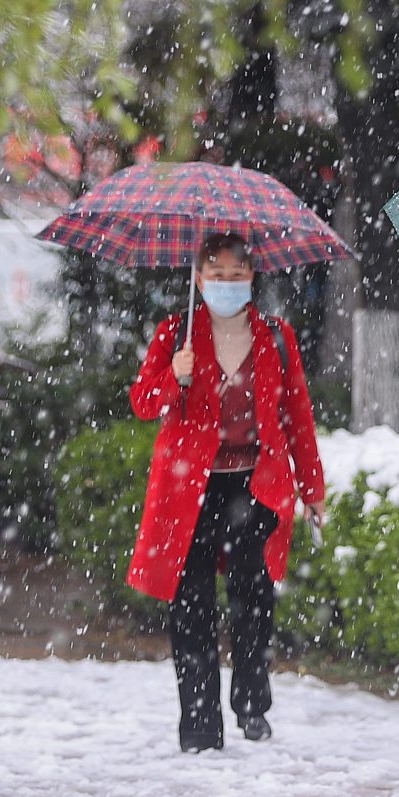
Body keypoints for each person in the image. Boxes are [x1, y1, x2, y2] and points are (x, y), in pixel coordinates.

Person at [128, 232, 327, 751]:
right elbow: (144, 402)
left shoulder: (276, 336)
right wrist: (174, 376)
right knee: (190, 606)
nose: (227, 284)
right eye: (216, 275)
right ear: (198, 279)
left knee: (253, 599)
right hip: (186, 490)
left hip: (254, 484)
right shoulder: (176, 334)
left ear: (252, 277)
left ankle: (252, 703)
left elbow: (297, 417)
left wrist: (313, 489)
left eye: (237, 275)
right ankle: (198, 724)